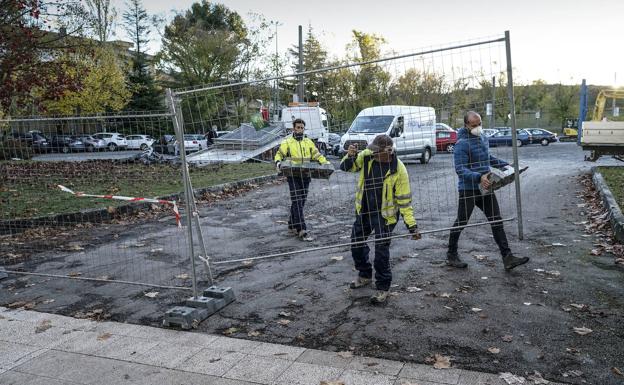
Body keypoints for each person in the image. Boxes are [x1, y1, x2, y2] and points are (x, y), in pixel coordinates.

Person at [340, 135, 421, 304]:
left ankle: (383, 287)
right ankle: (364, 275)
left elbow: (404, 201)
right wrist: (351, 155)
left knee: (381, 253)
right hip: (364, 211)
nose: (373, 152)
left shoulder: (399, 170)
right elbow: (347, 168)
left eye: (376, 151)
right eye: (373, 150)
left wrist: (411, 225)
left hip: (386, 216)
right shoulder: (367, 156)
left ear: (388, 151)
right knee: (356, 243)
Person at [447, 111, 529, 270]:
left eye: (479, 124)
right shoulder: (461, 144)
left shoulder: (483, 138)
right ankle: (451, 255)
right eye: (474, 125)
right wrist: (479, 177)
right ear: (466, 125)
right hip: (468, 189)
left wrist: (507, 166)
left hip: (486, 188)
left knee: (496, 220)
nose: (478, 127)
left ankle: (507, 257)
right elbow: (460, 169)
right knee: (461, 221)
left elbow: (488, 159)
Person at [274, 118, 330, 241]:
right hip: (293, 176)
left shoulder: (308, 142)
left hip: (306, 175)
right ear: (293, 128)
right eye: (298, 127)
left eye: (302, 128)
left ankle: (291, 224)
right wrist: (278, 162)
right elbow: (279, 154)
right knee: (297, 200)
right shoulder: (287, 142)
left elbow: (317, 155)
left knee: (301, 201)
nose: (300, 129)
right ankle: (301, 228)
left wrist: (325, 163)